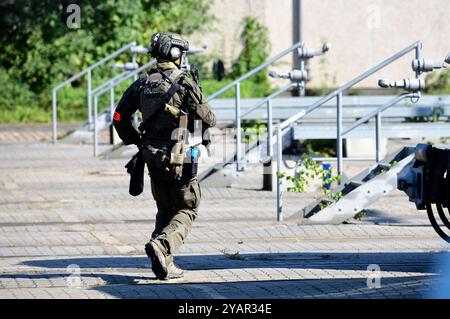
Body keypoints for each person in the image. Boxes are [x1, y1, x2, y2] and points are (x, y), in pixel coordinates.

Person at [113, 32, 216, 280]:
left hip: (152, 156)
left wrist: (138, 141)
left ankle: (165, 264)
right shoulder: (184, 82)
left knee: (164, 209)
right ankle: (162, 246)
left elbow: (118, 117)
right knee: (187, 207)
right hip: (183, 157)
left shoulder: (142, 82)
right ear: (175, 53)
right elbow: (209, 119)